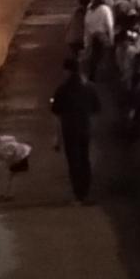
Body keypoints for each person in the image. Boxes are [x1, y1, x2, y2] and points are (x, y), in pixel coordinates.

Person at [50, 54, 100, 203]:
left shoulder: (62, 89)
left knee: (73, 161)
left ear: (67, 71)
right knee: (85, 158)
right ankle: (85, 191)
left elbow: (56, 112)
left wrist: (56, 138)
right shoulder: (90, 87)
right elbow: (97, 108)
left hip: (69, 129)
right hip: (85, 127)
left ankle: (78, 194)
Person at [83, 0, 115, 75]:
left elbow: (86, 24)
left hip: (92, 35)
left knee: (94, 56)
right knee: (105, 57)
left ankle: (93, 73)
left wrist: (86, 41)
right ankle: (105, 75)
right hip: (102, 36)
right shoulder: (105, 9)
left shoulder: (90, 9)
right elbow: (110, 25)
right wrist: (112, 40)